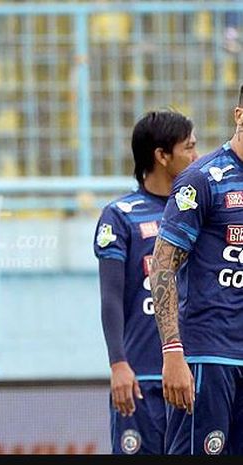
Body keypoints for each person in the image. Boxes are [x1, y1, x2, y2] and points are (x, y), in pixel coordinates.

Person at [93, 110, 197, 454]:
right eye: (189, 148)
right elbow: (111, 298)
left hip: (192, 373)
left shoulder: (200, 211)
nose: (197, 157)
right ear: (161, 156)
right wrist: (118, 364)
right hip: (142, 378)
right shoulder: (121, 216)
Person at [150, 86, 243, 455]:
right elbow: (162, 266)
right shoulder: (203, 178)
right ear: (239, 115)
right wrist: (173, 351)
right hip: (210, 356)